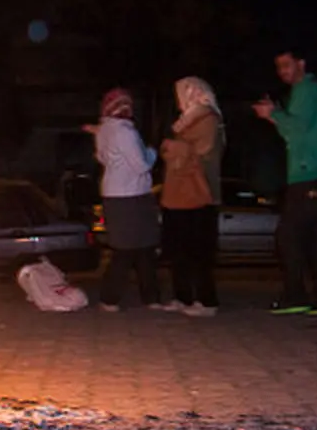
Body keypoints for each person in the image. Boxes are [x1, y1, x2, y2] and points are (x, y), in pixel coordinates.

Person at [253, 47, 317, 316]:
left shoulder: (306, 89)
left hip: (311, 174)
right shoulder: (308, 90)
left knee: (289, 235)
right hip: (315, 173)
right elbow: (298, 128)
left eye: (287, 65)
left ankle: (298, 295)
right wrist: (277, 115)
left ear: (301, 63)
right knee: (315, 237)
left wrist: (272, 114)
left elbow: (297, 129)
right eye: (279, 67)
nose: (283, 72)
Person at [159, 77, 225, 317]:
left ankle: (207, 301)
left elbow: (202, 154)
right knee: (179, 250)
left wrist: (173, 149)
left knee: (199, 251)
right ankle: (183, 296)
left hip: (200, 193)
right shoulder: (184, 121)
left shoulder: (207, 118)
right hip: (178, 194)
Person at [91, 88, 162, 311]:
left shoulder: (104, 130)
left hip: (115, 194)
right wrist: (152, 151)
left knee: (131, 248)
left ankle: (143, 297)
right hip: (132, 195)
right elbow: (141, 165)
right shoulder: (126, 132)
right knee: (135, 249)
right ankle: (113, 298)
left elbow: (101, 157)